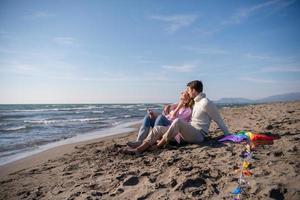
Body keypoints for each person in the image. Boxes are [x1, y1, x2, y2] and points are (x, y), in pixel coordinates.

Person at [121, 80, 229, 154]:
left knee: (178, 121)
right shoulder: (196, 102)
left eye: (188, 90)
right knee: (158, 128)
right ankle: (141, 146)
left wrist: (229, 136)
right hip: (188, 133)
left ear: (194, 90)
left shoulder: (206, 103)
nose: (187, 92)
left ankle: (154, 147)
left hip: (199, 135)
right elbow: (181, 106)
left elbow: (218, 119)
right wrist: (173, 106)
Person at [127, 90, 193, 148]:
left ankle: (153, 140)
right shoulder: (175, 106)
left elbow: (175, 120)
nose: (180, 101)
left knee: (160, 117)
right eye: (180, 99)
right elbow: (166, 116)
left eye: (182, 99)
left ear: (187, 100)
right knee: (148, 117)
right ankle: (140, 140)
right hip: (164, 125)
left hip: (172, 130)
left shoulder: (188, 110)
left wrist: (178, 107)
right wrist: (154, 114)